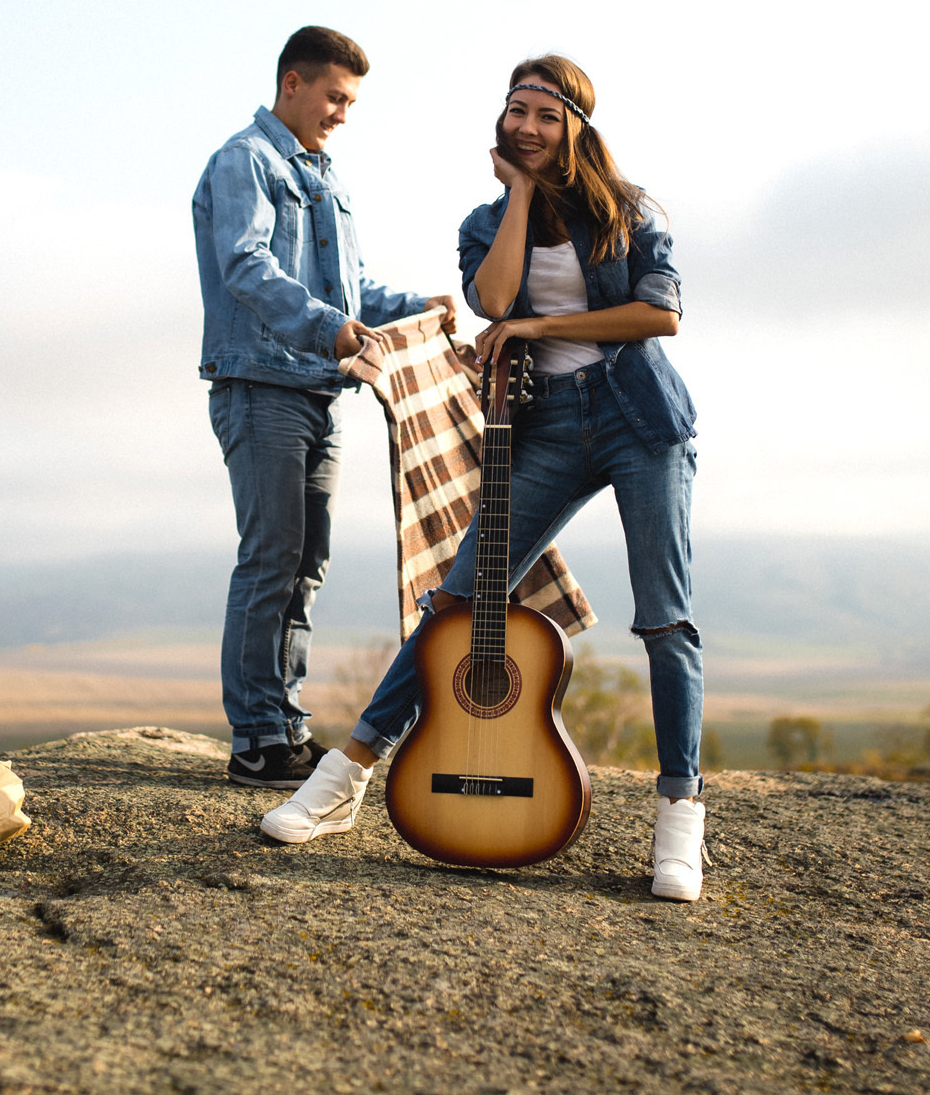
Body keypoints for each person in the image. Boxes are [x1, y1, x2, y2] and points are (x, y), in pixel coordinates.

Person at [260, 53, 710, 899]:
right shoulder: (485, 220)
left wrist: (541, 328)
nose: (527, 127)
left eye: (547, 116)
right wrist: (523, 196)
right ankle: (344, 777)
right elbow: (495, 303)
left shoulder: (628, 211)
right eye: (517, 111)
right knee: (456, 605)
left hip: (641, 421)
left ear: (577, 127)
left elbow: (659, 315)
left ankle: (679, 819)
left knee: (664, 620)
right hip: (548, 429)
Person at [193, 27, 454, 789]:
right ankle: (255, 741)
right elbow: (246, 266)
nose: (342, 113)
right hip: (259, 387)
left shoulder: (324, 176)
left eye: (350, 102)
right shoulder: (245, 161)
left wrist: (415, 307)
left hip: (320, 392)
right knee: (270, 558)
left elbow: (352, 291)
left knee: (307, 565)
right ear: (293, 83)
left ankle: (287, 725)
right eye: (335, 97)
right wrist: (326, 326)